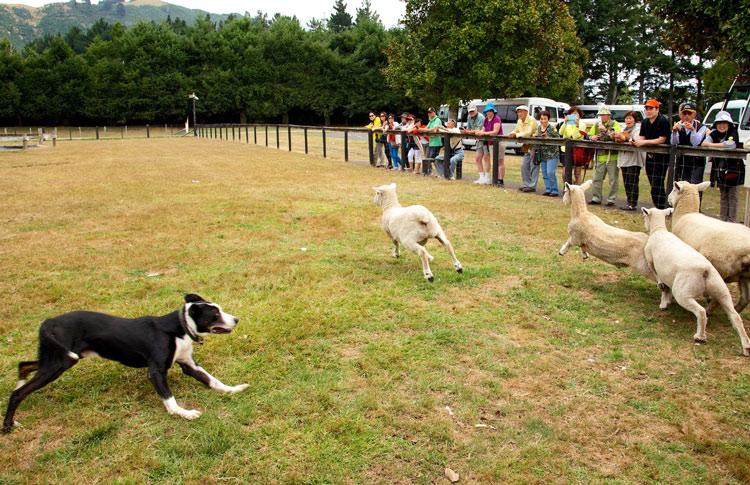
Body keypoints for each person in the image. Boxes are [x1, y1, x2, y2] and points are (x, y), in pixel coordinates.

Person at [702, 111, 745, 222]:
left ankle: (732, 221)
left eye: (724, 123)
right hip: (719, 169)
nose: (721, 125)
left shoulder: (733, 132)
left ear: (728, 123)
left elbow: (731, 145)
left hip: (734, 169)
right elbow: (704, 143)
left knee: (733, 195)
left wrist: (713, 145)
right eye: (719, 123)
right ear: (716, 124)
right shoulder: (714, 133)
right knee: (723, 195)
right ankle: (723, 219)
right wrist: (720, 145)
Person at [633, 99, 671, 209]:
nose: (648, 111)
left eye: (651, 108)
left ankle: (662, 207)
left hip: (662, 156)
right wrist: (635, 140)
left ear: (657, 109)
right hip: (649, 155)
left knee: (657, 182)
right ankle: (660, 206)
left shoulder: (663, 121)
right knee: (652, 181)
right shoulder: (645, 122)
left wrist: (643, 142)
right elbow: (642, 136)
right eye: (646, 108)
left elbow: (662, 139)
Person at [587, 106, 622, 205]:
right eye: (600, 115)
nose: (602, 117)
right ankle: (596, 198)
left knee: (613, 180)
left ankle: (611, 200)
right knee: (596, 178)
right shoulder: (596, 125)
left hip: (612, 156)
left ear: (609, 115)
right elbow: (588, 135)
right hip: (600, 156)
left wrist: (606, 131)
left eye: (604, 115)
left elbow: (618, 136)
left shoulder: (615, 124)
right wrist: (591, 137)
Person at [614, 111, 646, 210]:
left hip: (634, 158)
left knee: (633, 181)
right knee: (626, 181)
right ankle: (629, 202)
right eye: (627, 118)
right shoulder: (622, 127)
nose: (628, 120)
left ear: (635, 119)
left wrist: (624, 138)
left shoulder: (638, 128)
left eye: (630, 118)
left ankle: (633, 203)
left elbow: (636, 140)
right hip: (624, 158)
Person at [671, 102, 707, 184]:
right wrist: (674, 132)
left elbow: (695, 143)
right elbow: (673, 142)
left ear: (694, 115)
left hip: (697, 162)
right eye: (684, 113)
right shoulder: (678, 125)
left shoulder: (702, 127)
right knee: (680, 187)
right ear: (681, 115)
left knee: (694, 188)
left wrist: (693, 130)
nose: (687, 116)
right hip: (682, 161)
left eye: (689, 113)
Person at [508, 105, 539, 192]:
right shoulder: (519, 121)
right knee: (524, 166)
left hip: (534, 144)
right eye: (518, 112)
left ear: (526, 112)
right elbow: (516, 130)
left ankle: (532, 186)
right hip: (526, 144)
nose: (519, 113)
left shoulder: (532, 120)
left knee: (534, 166)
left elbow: (528, 133)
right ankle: (526, 184)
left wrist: (516, 135)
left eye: (521, 111)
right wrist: (512, 133)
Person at [558, 106, 590, 185]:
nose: (574, 115)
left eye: (576, 114)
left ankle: (577, 190)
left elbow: (576, 136)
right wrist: (565, 123)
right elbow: (561, 133)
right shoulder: (567, 123)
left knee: (577, 173)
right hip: (565, 149)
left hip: (578, 150)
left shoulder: (582, 124)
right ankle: (569, 188)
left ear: (579, 115)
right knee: (565, 173)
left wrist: (577, 125)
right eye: (571, 114)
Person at [532, 110, 561, 196]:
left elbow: (558, 139)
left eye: (545, 119)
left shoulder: (552, 128)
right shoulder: (539, 128)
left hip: (552, 154)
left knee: (550, 172)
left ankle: (554, 190)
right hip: (543, 154)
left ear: (548, 119)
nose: (543, 121)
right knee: (544, 172)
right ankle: (548, 189)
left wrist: (548, 137)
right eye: (541, 119)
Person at [475, 103, 503, 185]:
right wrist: (479, 132)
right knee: (488, 159)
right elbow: (483, 130)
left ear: (493, 111)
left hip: (497, 143)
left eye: (490, 111)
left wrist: (483, 133)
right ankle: (488, 179)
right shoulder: (486, 119)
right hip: (489, 143)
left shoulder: (497, 119)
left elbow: (495, 132)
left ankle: (499, 180)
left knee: (499, 161)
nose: (489, 112)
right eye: (487, 111)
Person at [462, 104, 486, 184]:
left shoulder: (481, 117)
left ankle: (486, 178)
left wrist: (469, 131)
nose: (471, 113)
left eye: (472, 111)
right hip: (479, 140)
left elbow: (478, 130)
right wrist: (466, 131)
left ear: (476, 110)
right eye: (470, 111)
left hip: (485, 139)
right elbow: (469, 129)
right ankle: (482, 177)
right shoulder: (469, 117)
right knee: (478, 159)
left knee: (485, 159)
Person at [423, 107, 444, 176]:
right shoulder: (431, 120)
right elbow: (427, 128)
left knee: (433, 159)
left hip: (437, 143)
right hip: (431, 142)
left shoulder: (437, 120)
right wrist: (426, 130)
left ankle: (440, 173)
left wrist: (426, 130)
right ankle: (432, 173)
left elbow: (434, 130)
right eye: (429, 112)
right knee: (430, 158)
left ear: (434, 112)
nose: (429, 114)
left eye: (431, 112)